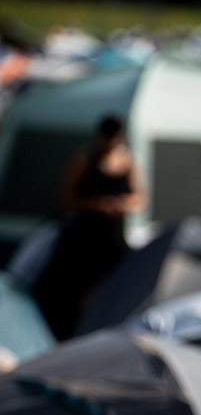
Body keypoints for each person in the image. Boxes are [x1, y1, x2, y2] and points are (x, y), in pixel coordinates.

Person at [33, 115, 145, 339]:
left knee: (112, 283)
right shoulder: (85, 159)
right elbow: (66, 196)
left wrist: (119, 204)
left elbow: (139, 197)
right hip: (85, 235)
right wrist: (94, 205)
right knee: (75, 288)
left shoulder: (128, 161)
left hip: (112, 235)